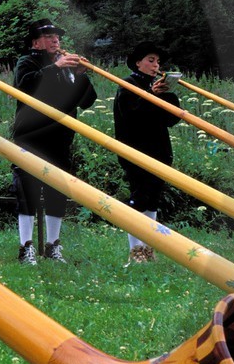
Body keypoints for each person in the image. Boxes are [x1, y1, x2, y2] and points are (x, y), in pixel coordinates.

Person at [9, 18, 96, 264]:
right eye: (48, 36)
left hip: (61, 139)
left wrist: (81, 76)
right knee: (27, 190)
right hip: (32, 137)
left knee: (58, 190)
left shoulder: (67, 67)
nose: (55, 39)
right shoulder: (27, 62)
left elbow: (87, 101)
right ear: (35, 42)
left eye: (56, 36)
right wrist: (56, 67)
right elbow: (26, 86)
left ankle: (52, 245)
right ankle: (25, 247)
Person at [112, 40, 182, 264]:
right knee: (140, 196)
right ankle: (135, 251)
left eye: (158, 61)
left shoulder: (157, 85)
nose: (155, 65)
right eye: (151, 61)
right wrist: (150, 94)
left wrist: (167, 94)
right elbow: (132, 115)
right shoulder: (127, 84)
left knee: (152, 200)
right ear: (138, 63)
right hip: (136, 150)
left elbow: (172, 119)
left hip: (160, 150)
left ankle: (147, 249)